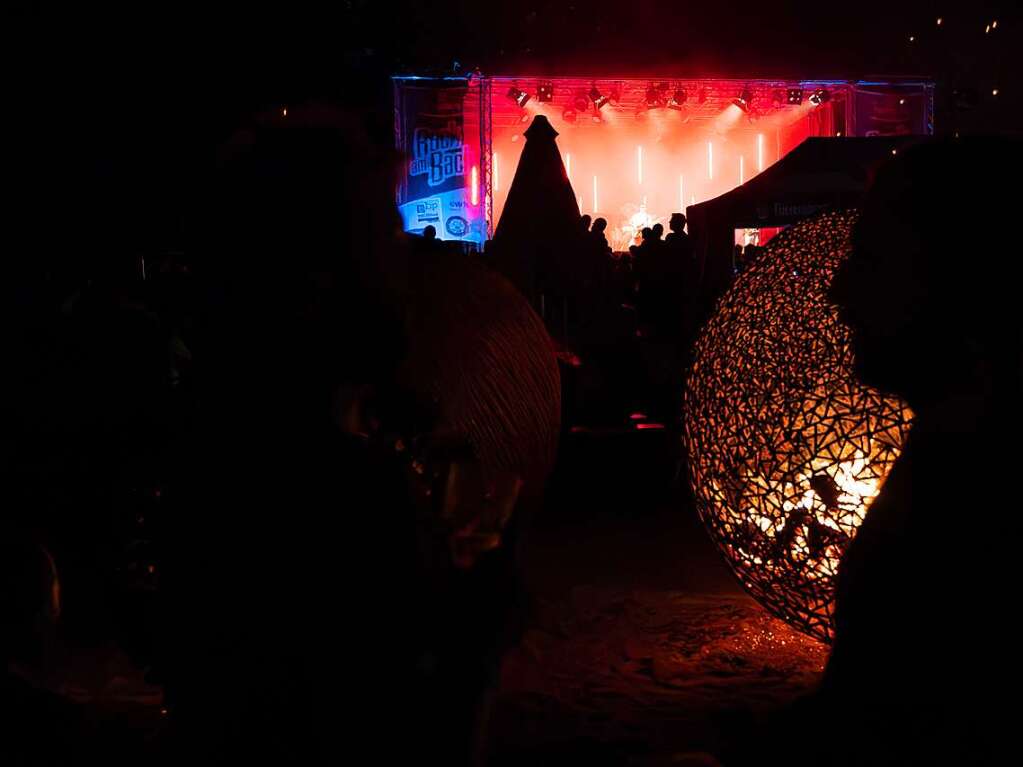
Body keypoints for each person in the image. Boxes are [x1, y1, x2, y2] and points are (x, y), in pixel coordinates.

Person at [755, 137, 1022, 766]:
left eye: (871, 261)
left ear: (960, 277)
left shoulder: (970, 499)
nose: (838, 291)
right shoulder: (953, 454)